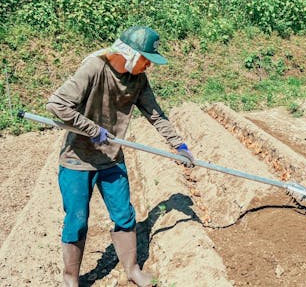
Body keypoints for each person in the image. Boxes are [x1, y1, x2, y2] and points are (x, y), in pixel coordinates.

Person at [46, 26, 196, 287]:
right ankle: (71, 278)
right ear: (129, 54)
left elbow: (155, 115)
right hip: (77, 159)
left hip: (111, 158)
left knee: (124, 215)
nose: (149, 65)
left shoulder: (137, 80)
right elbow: (57, 104)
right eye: (146, 59)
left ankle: (132, 269)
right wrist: (92, 129)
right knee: (77, 220)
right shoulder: (94, 68)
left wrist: (179, 145)